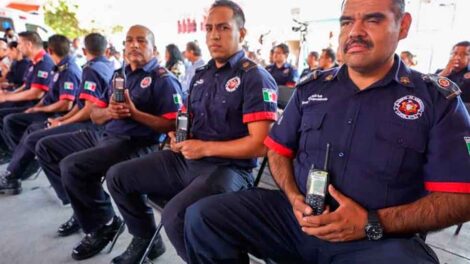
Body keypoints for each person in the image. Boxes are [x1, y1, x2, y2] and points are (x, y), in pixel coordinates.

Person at [183, 0, 470, 263]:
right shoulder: (312, 88)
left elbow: (461, 198)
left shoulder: (436, 101)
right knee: (203, 217)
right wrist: (293, 197)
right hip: (296, 220)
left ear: (403, 25)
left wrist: (372, 221)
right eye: (346, 22)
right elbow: (277, 149)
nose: (354, 32)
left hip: (374, 237)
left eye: (372, 20)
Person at [106, 1, 277, 263]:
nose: (214, 35)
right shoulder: (201, 75)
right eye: (209, 28)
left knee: (177, 216)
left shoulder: (254, 77)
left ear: (241, 33)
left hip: (228, 169)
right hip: (185, 160)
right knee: (118, 176)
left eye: (223, 27)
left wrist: (205, 148)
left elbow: (261, 145)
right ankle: (145, 241)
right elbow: (183, 119)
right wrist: (177, 136)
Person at [34, 25, 182, 261]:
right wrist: (111, 112)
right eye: (129, 40)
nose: (134, 45)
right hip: (105, 133)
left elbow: (172, 125)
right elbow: (95, 114)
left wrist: (134, 114)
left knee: (73, 166)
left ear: (154, 49)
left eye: (142, 41)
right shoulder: (119, 74)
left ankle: (103, 224)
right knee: (45, 146)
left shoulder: (163, 79)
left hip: (135, 142)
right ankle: (88, 208)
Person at [0, 33, 114, 197]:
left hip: (92, 125)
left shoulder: (90, 69)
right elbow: (80, 104)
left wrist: (61, 122)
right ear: (106, 50)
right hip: (90, 122)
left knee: (36, 136)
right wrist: (61, 120)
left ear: (83, 49)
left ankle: (67, 192)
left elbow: (86, 109)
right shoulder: (104, 66)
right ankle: (18, 168)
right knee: (32, 131)